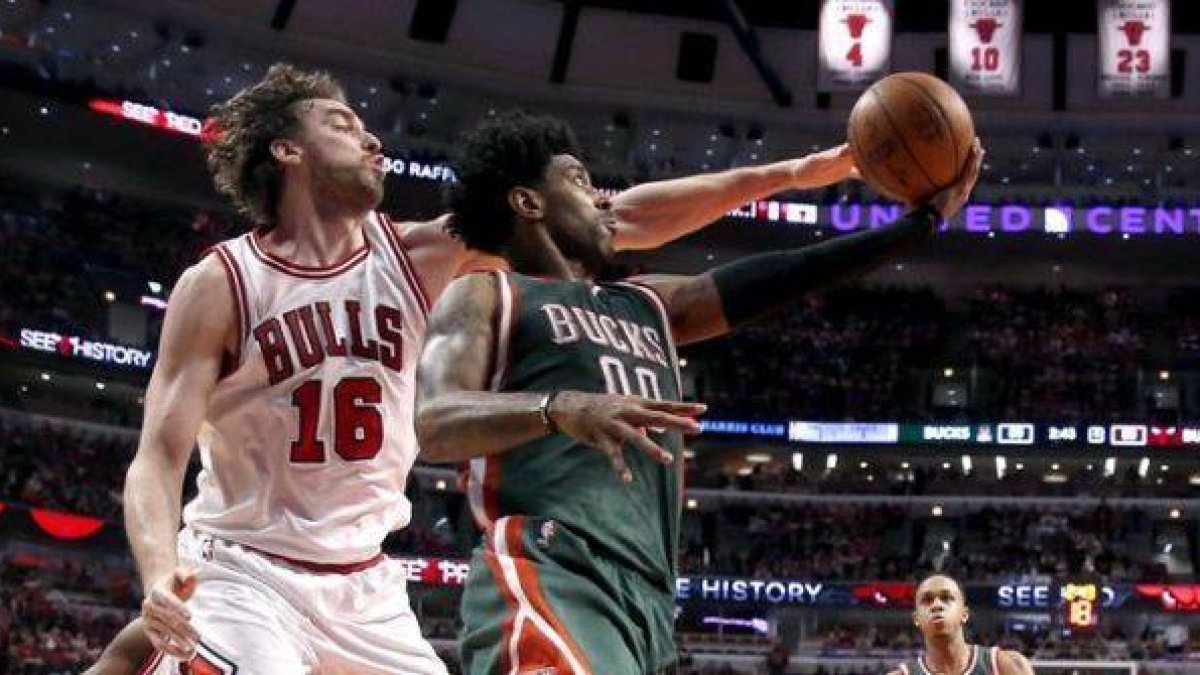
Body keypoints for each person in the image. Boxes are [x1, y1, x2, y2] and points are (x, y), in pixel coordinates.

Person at [104, 62, 861, 673]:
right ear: (286, 150)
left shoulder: (419, 253)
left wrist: (795, 172)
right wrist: (157, 574)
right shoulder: (223, 282)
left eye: (368, 128)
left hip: (365, 584)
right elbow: (160, 455)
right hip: (245, 567)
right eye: (342, 125)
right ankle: (160, 648)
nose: (370, 140)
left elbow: (619, 218)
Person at [413, 112, 982, 673]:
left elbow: (787, 273)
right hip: (548, 566)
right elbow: (435, 421)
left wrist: (920, 225)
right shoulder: (486, 293)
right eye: (579, 181)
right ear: (528, 203)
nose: (603, 200)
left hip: (648, 594)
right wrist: (558, 407)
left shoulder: (645, 303)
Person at [889, 575, 1035, 675]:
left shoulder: (1006, 665)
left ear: (964, 614)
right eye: (927, 600)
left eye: (947, 598)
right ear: (916, 618)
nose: (937, 605)